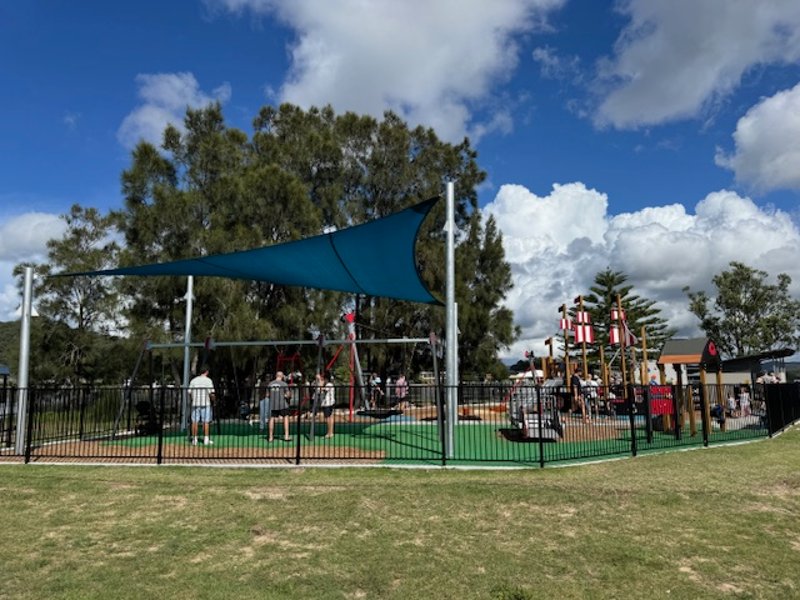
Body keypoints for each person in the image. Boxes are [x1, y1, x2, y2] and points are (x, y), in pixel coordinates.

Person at [189, 364, 216, 446]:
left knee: (194, 421)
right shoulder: (208, 381)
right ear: (207, 372)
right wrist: (214, 400)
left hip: (195, 403)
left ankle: (194, 439)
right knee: (206, 422)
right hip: (205, 403)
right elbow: (211, 393)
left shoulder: (193, 381)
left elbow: (189, 392)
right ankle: (206, 439)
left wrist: (193, 399)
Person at [267, 371, 292, 442]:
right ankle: (286, 436)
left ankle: (271, 437)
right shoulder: (284, 384)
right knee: (286, 417)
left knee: (272, 419)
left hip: (273, 404)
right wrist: (287, 395)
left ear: (276, 375)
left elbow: (268, 395)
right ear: (282, 376)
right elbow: (288, 395)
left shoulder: (270, 384)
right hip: (282, 404)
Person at [318, 371, 336, 438]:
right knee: (330, 418)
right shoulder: (329, 384)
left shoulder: (329, 385)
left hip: (328, 404)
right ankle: (330, 432)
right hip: (329, 403)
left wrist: (320, 381)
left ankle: (329, 432)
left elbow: (323, 390)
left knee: (328, 418)